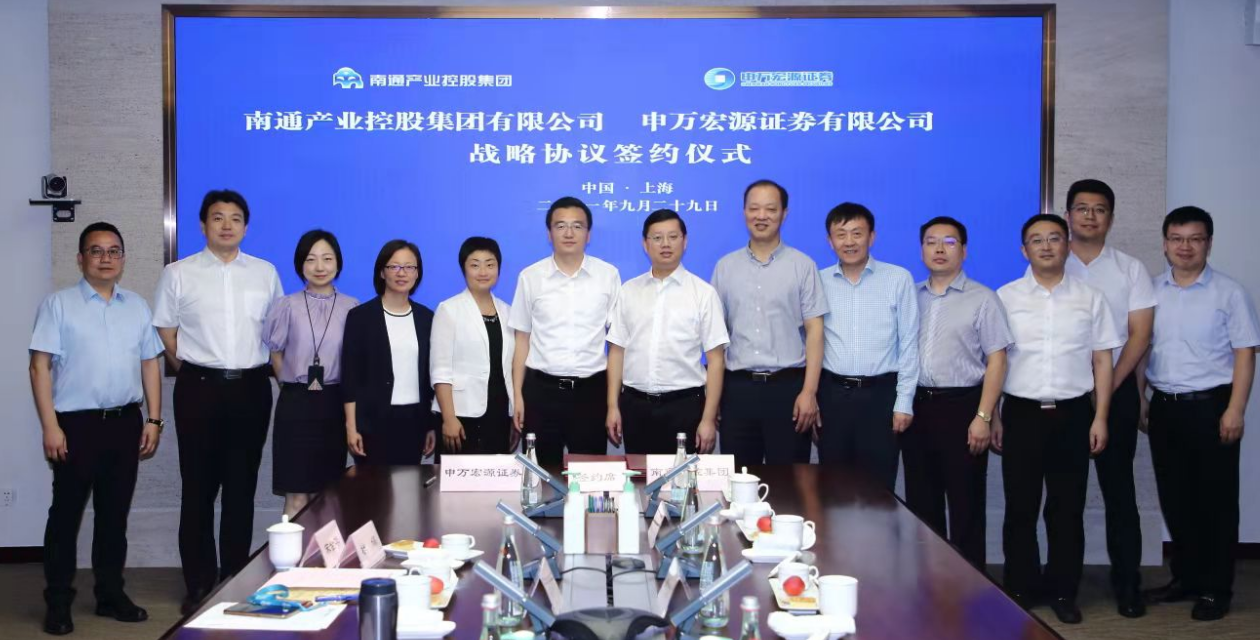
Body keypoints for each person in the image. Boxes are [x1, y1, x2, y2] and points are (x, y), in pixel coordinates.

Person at [152, 190, 283, 615]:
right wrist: (198, 370)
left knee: (241, 490)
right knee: (198, 490)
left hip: (251, 388)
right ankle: (198, 584)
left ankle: (233, 578)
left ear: (246, 226)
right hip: (200, 389)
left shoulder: (265, 273)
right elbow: (166, 332)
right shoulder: (179, 273)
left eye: (235, 218)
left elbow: (276, 334)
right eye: (217, 217)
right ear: (203, 224)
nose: (227, 225)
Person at [30, 222, 164, 635]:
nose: (106, 258)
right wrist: (50, 426)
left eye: (113, 251)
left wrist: (154, 419)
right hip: (76, 426)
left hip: (125, 423)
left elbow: (150, 364)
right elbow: (39, 367)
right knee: (65, 517)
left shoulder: (136, 306)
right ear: (81, 258)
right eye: (96, 251)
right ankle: (58, 602)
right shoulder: (59, 305)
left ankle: (110, 595)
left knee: (113, 517)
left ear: (123, 258)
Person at [993, 213, 1121, 624]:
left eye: (1053, 238)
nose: (1046, 246)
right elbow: (995, 361)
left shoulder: (1090, 298)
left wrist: (1101, 417)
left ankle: (1064, 591)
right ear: (1023, 249)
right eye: (1036, 240)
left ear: (1067, 245)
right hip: (1021, 413)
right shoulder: (1005, 297)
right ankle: (1021, 587)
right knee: (1020, 507)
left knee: (1067, 509)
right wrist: (993, 415)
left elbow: (1102, 361)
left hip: (1073, 414)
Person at [1141, 206, 1258, 621]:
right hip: (1164, 408)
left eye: (1194, 239)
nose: (1185, 247)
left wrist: (1235, 410)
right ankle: (1186, 578)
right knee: (1176, 500)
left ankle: (1215, 588)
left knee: (1216, 503)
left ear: (1208, 243)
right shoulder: (1151, 291)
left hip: (1212, 407)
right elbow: (1143, 349)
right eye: (1177, 238)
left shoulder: (1229, 292)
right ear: (1165, 244)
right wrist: (1141, 399)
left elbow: (1245, 354)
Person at [1062, 179, 1155, 617]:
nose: (1090, 216)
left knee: (1119, 492)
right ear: (1068, 215)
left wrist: (1111, 386)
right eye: (1082, 208)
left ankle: (1127, 584)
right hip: (1063, 396)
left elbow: (1140, 335)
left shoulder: (1130, 269)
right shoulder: (1051, 262)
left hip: (1115, 392)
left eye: (1099, 209)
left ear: (1110, 219)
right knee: (1066, 496)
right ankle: (1066, 587)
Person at [902, 216, 1011, 570]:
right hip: (917, 407)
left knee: (966, 504)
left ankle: (969, 585)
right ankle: (928, 582)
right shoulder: (909, 296)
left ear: (963, 251)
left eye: (949, 242)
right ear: (921, 250)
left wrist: (984, 416)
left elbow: (997, 361)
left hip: (963, 408)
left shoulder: (983, 298)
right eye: (931, 241)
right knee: (922, 504)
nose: (939, 249)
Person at [711, 180, 827, 468]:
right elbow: (716, 338)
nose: (761, 216)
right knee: (738, 479)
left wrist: (809, 392)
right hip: (737, 390)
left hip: (788, 390)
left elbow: (815, 331)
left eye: (770, 209)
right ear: (744, 212)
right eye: (754, 208)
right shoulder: (725, 267)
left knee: (790, 481)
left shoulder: (803, 265)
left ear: (784, 214)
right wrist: (714, 397)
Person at [606, 210, 729, 454]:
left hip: (685, 406)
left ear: (685, 241)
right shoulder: (629, 291)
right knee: (639, 475)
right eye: (657, 238)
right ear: (645, 244)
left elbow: (716, 360)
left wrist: (707, 418)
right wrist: (612, 406)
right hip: (635, 405)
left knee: (682, 477)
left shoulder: (703, 293)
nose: (665, 244)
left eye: (673, 237)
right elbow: (617, 351)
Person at [509, 197, 620, 465]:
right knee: (541, 475)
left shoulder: (608, 275)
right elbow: (522, 339)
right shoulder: (530, 277)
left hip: (591, 392)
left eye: (577, 226)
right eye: (560, 226)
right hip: (541, 392)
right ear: (549, 233)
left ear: (588, 234)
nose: (569, 233)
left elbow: (617, 344)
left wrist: (613, 404)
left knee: (590, 475)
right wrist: (518, 397)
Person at [815, 202, 919, 491]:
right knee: (832, 488)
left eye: (857, 233)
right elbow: (808, 342)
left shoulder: (898, 279)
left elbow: (909, 343)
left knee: (879, 490)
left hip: (881, 397)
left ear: (871, 236)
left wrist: (904, 402)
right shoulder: (818, 281)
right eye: (841, 234)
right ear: (830, 241)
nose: (849, 242)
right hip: (832, 395)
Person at [263, 230, 358, 517]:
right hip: (296, 404)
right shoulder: (287, 305)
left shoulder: (352, 308)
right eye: (311, 259)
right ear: (300, 264)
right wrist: (289, 386)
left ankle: (323, 548)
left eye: (327, 259)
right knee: (296, 493)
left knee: (327, 494)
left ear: (338, 263)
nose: (319, 267)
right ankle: (291, 548)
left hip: (334, 404)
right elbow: (275, 353)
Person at [341, 239, 437, 465]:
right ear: (382, 272)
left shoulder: (426, 318)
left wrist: (431, 425)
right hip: (372, 423)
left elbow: (429, 377)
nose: (402, 273)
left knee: (409, 485)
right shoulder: (360, 317)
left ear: (417, 273)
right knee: (373, 486)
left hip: (414, 421)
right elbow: (350, 377)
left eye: (409, 267)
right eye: (394, 266)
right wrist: (351, 427)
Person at [431, 237, 515, 455]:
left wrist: (513, 413)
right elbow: (440, 370)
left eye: (490, 264)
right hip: (461, 416)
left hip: (499, 414)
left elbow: (510, 369)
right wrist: (449, 418)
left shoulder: (508, 312)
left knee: (497, 475)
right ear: (464, 269)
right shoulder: (449, 309)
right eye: (475, 265)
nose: (483, 272)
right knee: (459, 476)